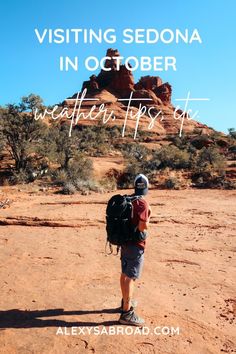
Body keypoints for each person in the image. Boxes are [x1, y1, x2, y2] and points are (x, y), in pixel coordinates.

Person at [119, 173, 151, 326]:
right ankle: (126, 313)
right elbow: (142, 227)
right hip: (135, 245)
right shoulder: (142, 203)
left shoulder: (129, 199)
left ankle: (125, 301)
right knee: (130, 278)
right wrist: (149, 217)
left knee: (124, 274)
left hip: (124, 243)